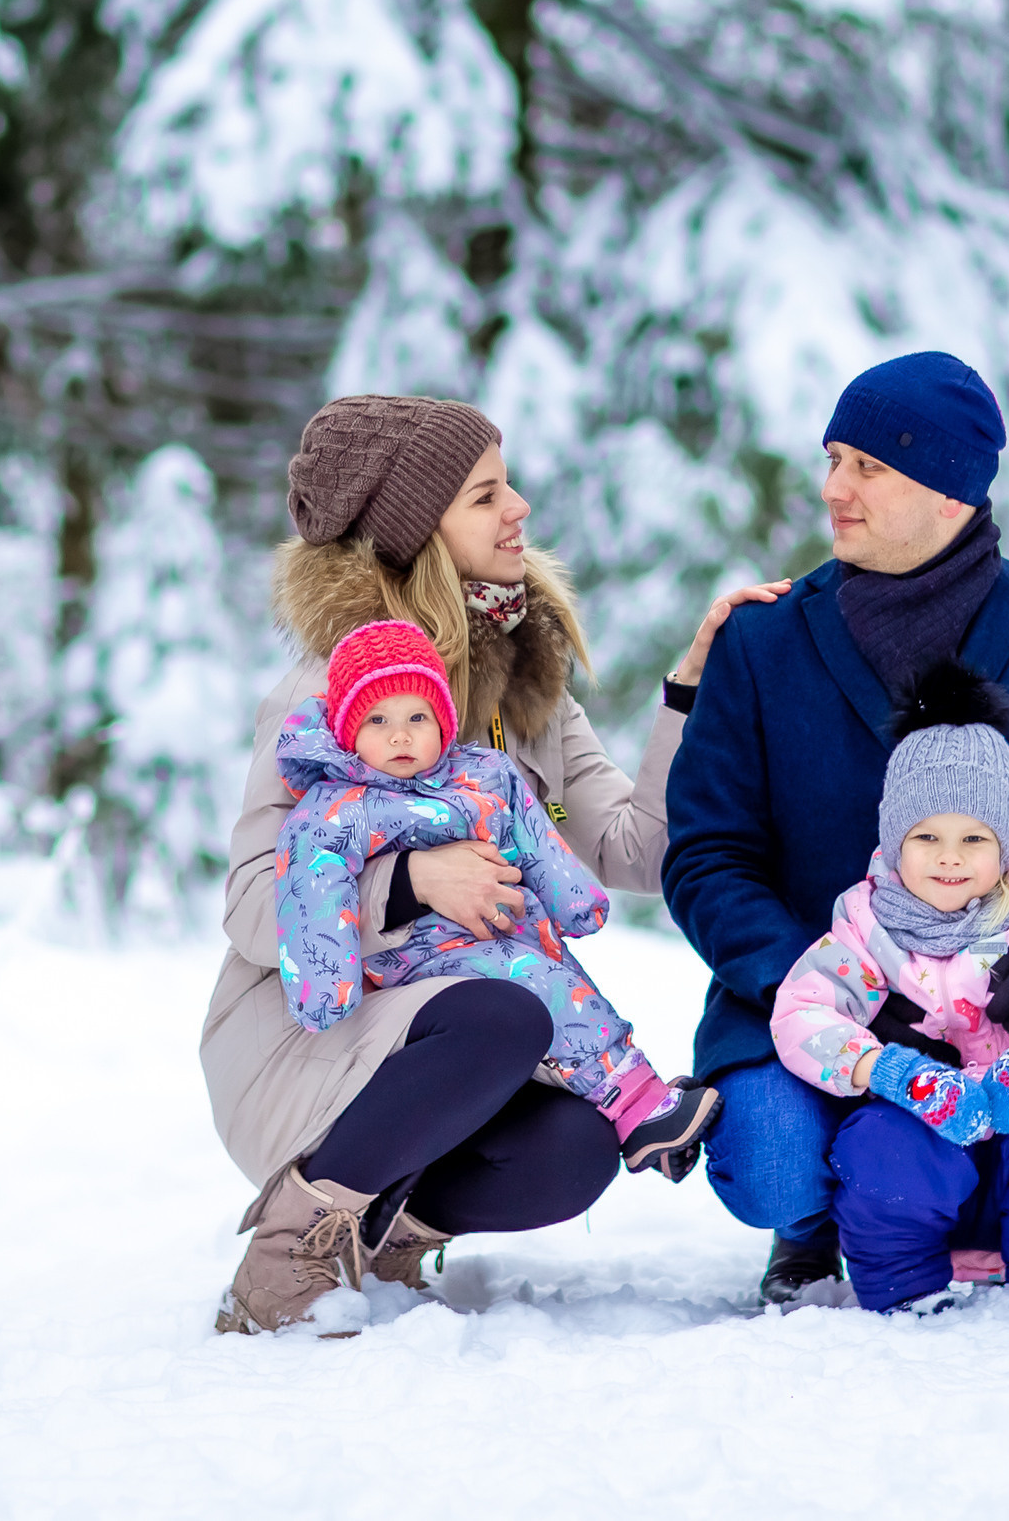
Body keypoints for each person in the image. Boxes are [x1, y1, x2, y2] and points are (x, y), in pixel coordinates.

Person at [663, 350, 1009, 1306]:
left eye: (867, 467)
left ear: (948, 491)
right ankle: (824, 1217)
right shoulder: (762, 642)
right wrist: (841, 988)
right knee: (768, 1162)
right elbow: (708, 858)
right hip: (824, 994)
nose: (832, 488)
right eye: (832, 457)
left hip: (1003, 993)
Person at [204, 394, 784, 1336]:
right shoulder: (337, 693)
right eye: (484, 496)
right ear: (417, 533)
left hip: (460, 1037)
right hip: (313, 1039)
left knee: (578, 1145)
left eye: (506, 484)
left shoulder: (522, 685)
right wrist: (414, 882)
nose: (518, 508)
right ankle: (290, 1249)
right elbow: (251, 910)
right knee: (508, 1012)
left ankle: (384, 1233)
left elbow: (631, 849)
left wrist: (694, 697)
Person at [769, 662, 1009, 1330]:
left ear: (1006, 842)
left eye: (974, 838)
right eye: (926, 838)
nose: (949, 857)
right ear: (896, 840)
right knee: (877, 1139)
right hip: (924, 1165)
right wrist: (884, 1067)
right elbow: (802, 1010)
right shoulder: (869, 928)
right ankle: (902, 1285)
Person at [266, 618, 718, 1177]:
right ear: (347, 730)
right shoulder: (338, 807)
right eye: (377, 720)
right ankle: (636, 1101)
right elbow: (311, 890)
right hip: (415, 956)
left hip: (504, 931)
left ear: (443, 722)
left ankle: (633, 1110)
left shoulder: (484, 773)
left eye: (416, 718)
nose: (400, 736)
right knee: (535, 980)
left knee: (563, 980)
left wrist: (573, 897)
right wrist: (325, 984)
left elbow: (533, 835)